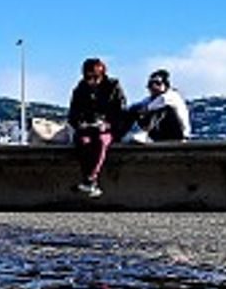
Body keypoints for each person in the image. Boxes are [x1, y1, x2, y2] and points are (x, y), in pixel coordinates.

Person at [66, 58, 127, 198]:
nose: (92, 81)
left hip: (107, 128)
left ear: (102, 74)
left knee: (100, 141)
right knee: (82, 142)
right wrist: (80, 123)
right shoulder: (80, 89)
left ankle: (89, 179)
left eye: (95, 77)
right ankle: (90, 181)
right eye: (88, 77)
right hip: (86, 128)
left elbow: (121, 111)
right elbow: (72, 115)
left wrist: (108, 124)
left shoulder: (113, 86)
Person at [125, 69, 191, 143]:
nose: (154, 86)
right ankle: (119, 134)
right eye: (151, 84)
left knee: (164, 109)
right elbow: (138, 107)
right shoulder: (150, 99)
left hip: (178, 135)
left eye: (158, 83)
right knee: (134, 109)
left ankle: (144, 133)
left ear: (165, 85)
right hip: (160, 134)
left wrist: (144, 110)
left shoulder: (172, 96)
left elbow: (160, 102)